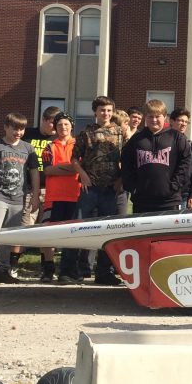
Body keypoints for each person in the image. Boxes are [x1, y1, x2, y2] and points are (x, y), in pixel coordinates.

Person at [0, 112, 41, 284]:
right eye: (15, 128)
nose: (18, 132)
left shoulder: (28, 148)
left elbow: (34, 173)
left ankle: (3, 269)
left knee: (8, 235)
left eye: (21, 129)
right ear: (6, 127)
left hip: (19, 198)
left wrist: (35, 195)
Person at [72, 95, 126, 285]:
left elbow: (126, 159)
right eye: (102, 110)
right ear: (95, 112)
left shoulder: (120, 133)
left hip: (110, 190)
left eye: (109, 110)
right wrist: (83, 175)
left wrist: (121, 179)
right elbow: (74, 159)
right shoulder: (86, 132)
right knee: (77, 228)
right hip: (90, 189)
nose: (106, 113)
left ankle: (104, 273)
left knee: (108, 232)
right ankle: (71, 270)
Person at [121, 99, 192, 213]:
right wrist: (133, 187)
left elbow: (186, 163)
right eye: (150, 116)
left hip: (170, 201)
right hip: (142, 201)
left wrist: (174, 186)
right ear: (145, 117)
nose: (154, 120)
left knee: (168, 231)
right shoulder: (136, 139)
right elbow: (126, 163)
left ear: (165, 117)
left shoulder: (177, 137)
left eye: (158, 116)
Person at [41, 112, 83, 283]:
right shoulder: (49, 146)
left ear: (71, 126)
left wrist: (63, 168)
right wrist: (72, 167)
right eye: (59, 125)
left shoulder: (79, 145)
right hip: (54, 196)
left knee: (73, 235)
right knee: (49, 234)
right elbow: (48, 170)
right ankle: (48, 269)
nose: (63, 128)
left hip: (75, 195)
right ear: (55, 127)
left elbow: (80, 167)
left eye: (66, 124)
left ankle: (69, 270)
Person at [21, 105, 60, 276]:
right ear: (44, 120)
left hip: (50, 189)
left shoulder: (59, 139)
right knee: (24, 227)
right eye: (53, 123)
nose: (55, 128)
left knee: (47, 229)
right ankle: (11, 264)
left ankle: (47, 266)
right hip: (28, 189)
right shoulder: (28, 135)